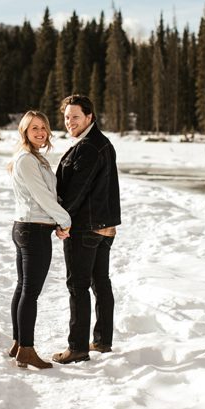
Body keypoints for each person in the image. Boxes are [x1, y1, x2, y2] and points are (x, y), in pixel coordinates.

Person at [51, 94, 121, 364]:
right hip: (104, 226)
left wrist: (62, 221)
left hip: (85, 227)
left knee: (78, 285)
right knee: (100, 282)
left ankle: (77, 347)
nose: (70, 122)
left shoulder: (90, 147)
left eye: (75, 117)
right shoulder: (99, 143)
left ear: (90, 117)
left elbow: (76, 192)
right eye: (67, 117)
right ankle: (102, 341)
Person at [8, 110, 71, 369]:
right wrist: (64, 220)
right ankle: (27, 349)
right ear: (24, 131)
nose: (40, 132)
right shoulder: (27, 160)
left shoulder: (33, 158)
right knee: (29, 293)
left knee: (23, 288)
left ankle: (17, 343)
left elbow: (45, 195)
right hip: (32, 230)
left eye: (43, 127)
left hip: (28, 227)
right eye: (34, 128)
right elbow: (43, 196)